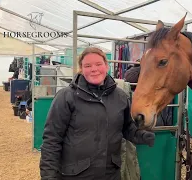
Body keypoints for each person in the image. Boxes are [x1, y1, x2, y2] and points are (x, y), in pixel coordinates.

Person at [39, 47, 155, 180]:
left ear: (106, 66)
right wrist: (49, 176)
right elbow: (52, 140)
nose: (94, 69)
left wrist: (144, 136)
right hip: (75, 175)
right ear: (81, 69)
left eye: (98, 64)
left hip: (110, 174)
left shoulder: (120, 97)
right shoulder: (66, 97)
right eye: (87, 65)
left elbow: (127, 128)